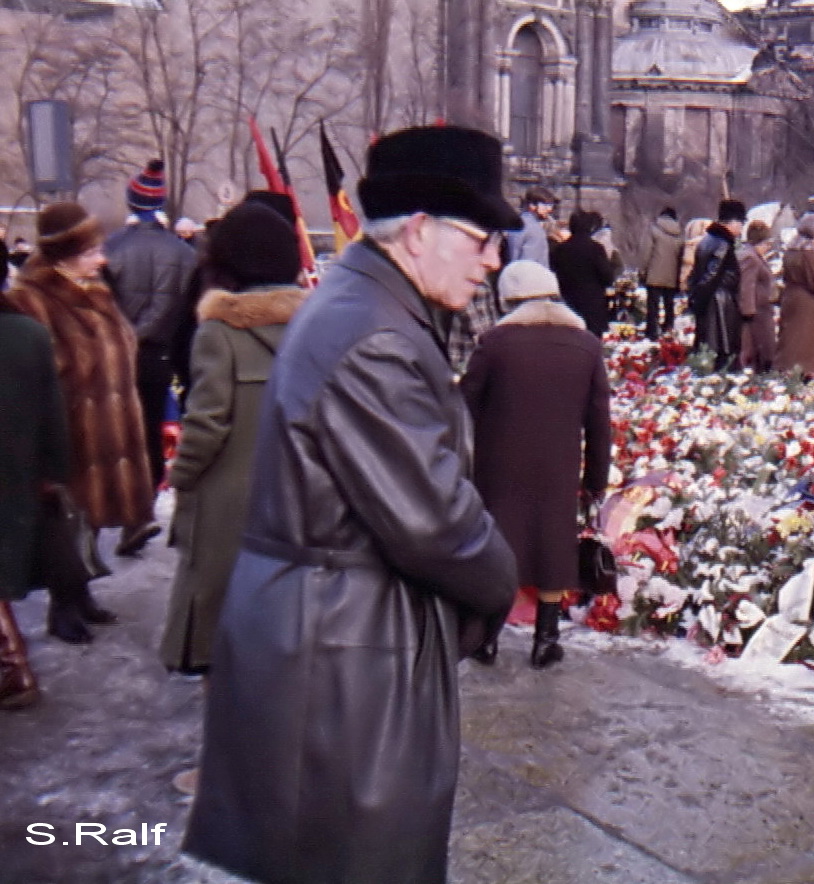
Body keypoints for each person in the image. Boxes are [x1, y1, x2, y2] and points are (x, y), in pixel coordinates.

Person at [182, 125, 520, 884]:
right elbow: (437, 527)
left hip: (329, 633)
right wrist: (505, 582)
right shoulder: (374, 335)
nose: (494, 258)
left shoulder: (363, 303)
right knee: (359, 861)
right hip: (342, 655)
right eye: (482, 238)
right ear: (420, 230)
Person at [159, 202, 307, 677]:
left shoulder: (218, 333)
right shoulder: (315, 326)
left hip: (228, 501)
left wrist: (179, 475)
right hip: (296, 494)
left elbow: (206, 424)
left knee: (220, 632)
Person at [461, 259, 611, 668]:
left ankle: (486, 637)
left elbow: (465, 407)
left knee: (498, 543)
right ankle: (546, 638)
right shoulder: (586, 346)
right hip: (559, 465)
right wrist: (596, 479)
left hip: (497, 463)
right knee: (552, 545)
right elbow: (599, 420)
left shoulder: (494, 344)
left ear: (509, 298)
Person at [9, 202, 148, 640]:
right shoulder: (30, 299)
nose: (102, 259)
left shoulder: (96, 290)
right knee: (64, 523)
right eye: (91, 251)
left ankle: (81, 593)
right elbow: (36, 370)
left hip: (108, 428)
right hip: (69, 430)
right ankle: (62, 605)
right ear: (64, 253)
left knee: (86, 521)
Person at [102, 159, 198, 529]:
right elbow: (188, 317)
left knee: (121, 430)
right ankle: (145, 508)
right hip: (161, 355)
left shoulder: (110, 249)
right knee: (153, 425)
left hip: (117, 355)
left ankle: (124, 510)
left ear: (130, 203)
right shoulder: (185, 254)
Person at [0, 288, 72, 708]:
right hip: (19, 470)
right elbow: (52, 411)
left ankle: (14, 668)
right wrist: (53, 471)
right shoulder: (30, 333)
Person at [686, 199, 746, 371]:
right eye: (741, 223)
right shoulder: (723, 244)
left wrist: (695, 297)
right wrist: (700, 300)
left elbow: (695, 275)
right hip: (720, 303)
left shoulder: (707, 240)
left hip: (711, 301)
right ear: (734, 222)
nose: (741, 228)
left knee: (708, 348)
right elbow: (711, 275)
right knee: (722, 351)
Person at [775, 213, 814, 378]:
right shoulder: (809, 255)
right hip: (807, 301)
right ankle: (809, 371)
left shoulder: (791, 251)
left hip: (790, 297)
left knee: (791, 338)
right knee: (808, 341)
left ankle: (788, 369)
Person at [550, 209, 618, 337]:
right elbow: (607, 277)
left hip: (567, 303)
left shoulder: (560, 249)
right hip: (592, 305)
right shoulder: (596, 248)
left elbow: (553, 273)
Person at [738, 219, 777, 372]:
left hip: (761, 309)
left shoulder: (754, 256)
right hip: (757, 312)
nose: (768, 248)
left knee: (765, 349)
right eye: (766, 244)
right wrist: (748, 311)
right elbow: (747, 285)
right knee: (762, 348)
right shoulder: (751, 258)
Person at [642, 206, 686, 339]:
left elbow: (646, 252)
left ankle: (652, 331)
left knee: (653, 305)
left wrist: (644, 270)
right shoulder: (679, 234)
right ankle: (668, 328)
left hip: (655, 273)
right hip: (672, 274)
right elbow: (681, 256)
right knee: (669, 304)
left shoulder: (653, 229)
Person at [503, 188, 556, 266]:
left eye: (551, 205)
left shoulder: (516, 224)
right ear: (532, 205)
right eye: (545, 205)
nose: (549, 209)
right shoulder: (535, 231)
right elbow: (529, 266)